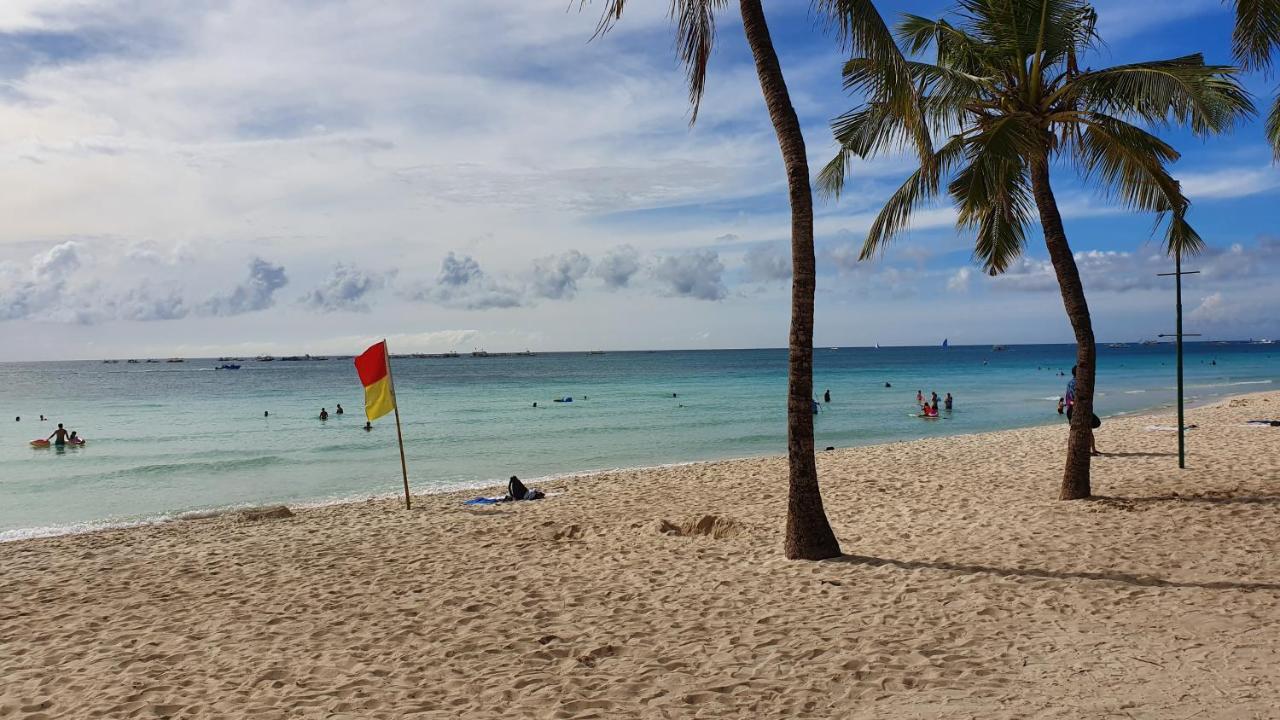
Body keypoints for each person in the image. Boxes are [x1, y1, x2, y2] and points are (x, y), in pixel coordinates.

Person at [1065, 366, 1101, 455]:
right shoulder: (1078, 383)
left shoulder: (1070, 383)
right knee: (1087, 429)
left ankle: (1089, 450)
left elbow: (1069, 398)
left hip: (1070, 410)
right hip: (1077, 409)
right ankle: (1092, 450)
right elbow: (1077, 398)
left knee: (1076, 431)